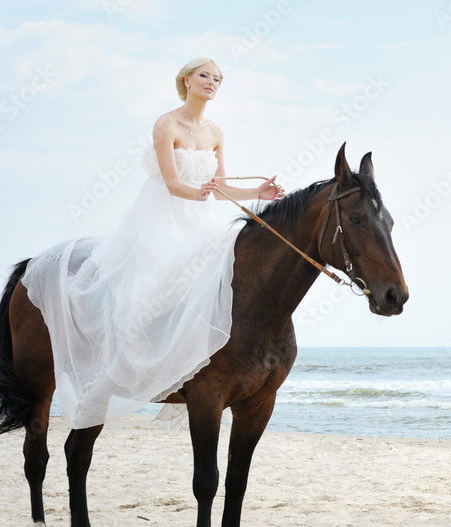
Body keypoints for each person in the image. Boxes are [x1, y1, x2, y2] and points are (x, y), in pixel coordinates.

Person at [21, 58, 284, 428]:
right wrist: (198, 194)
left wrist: (259, 191)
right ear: (187, 81)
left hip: (201, 220)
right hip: (161, 215)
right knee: (148, 286)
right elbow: (173, 182)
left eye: (218, 79)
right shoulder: (166, 124)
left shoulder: (215, 131)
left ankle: (194, 367)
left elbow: (220, 188)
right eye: (205, 76)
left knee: (215, 285)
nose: (212, 82)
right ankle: (119, 367)